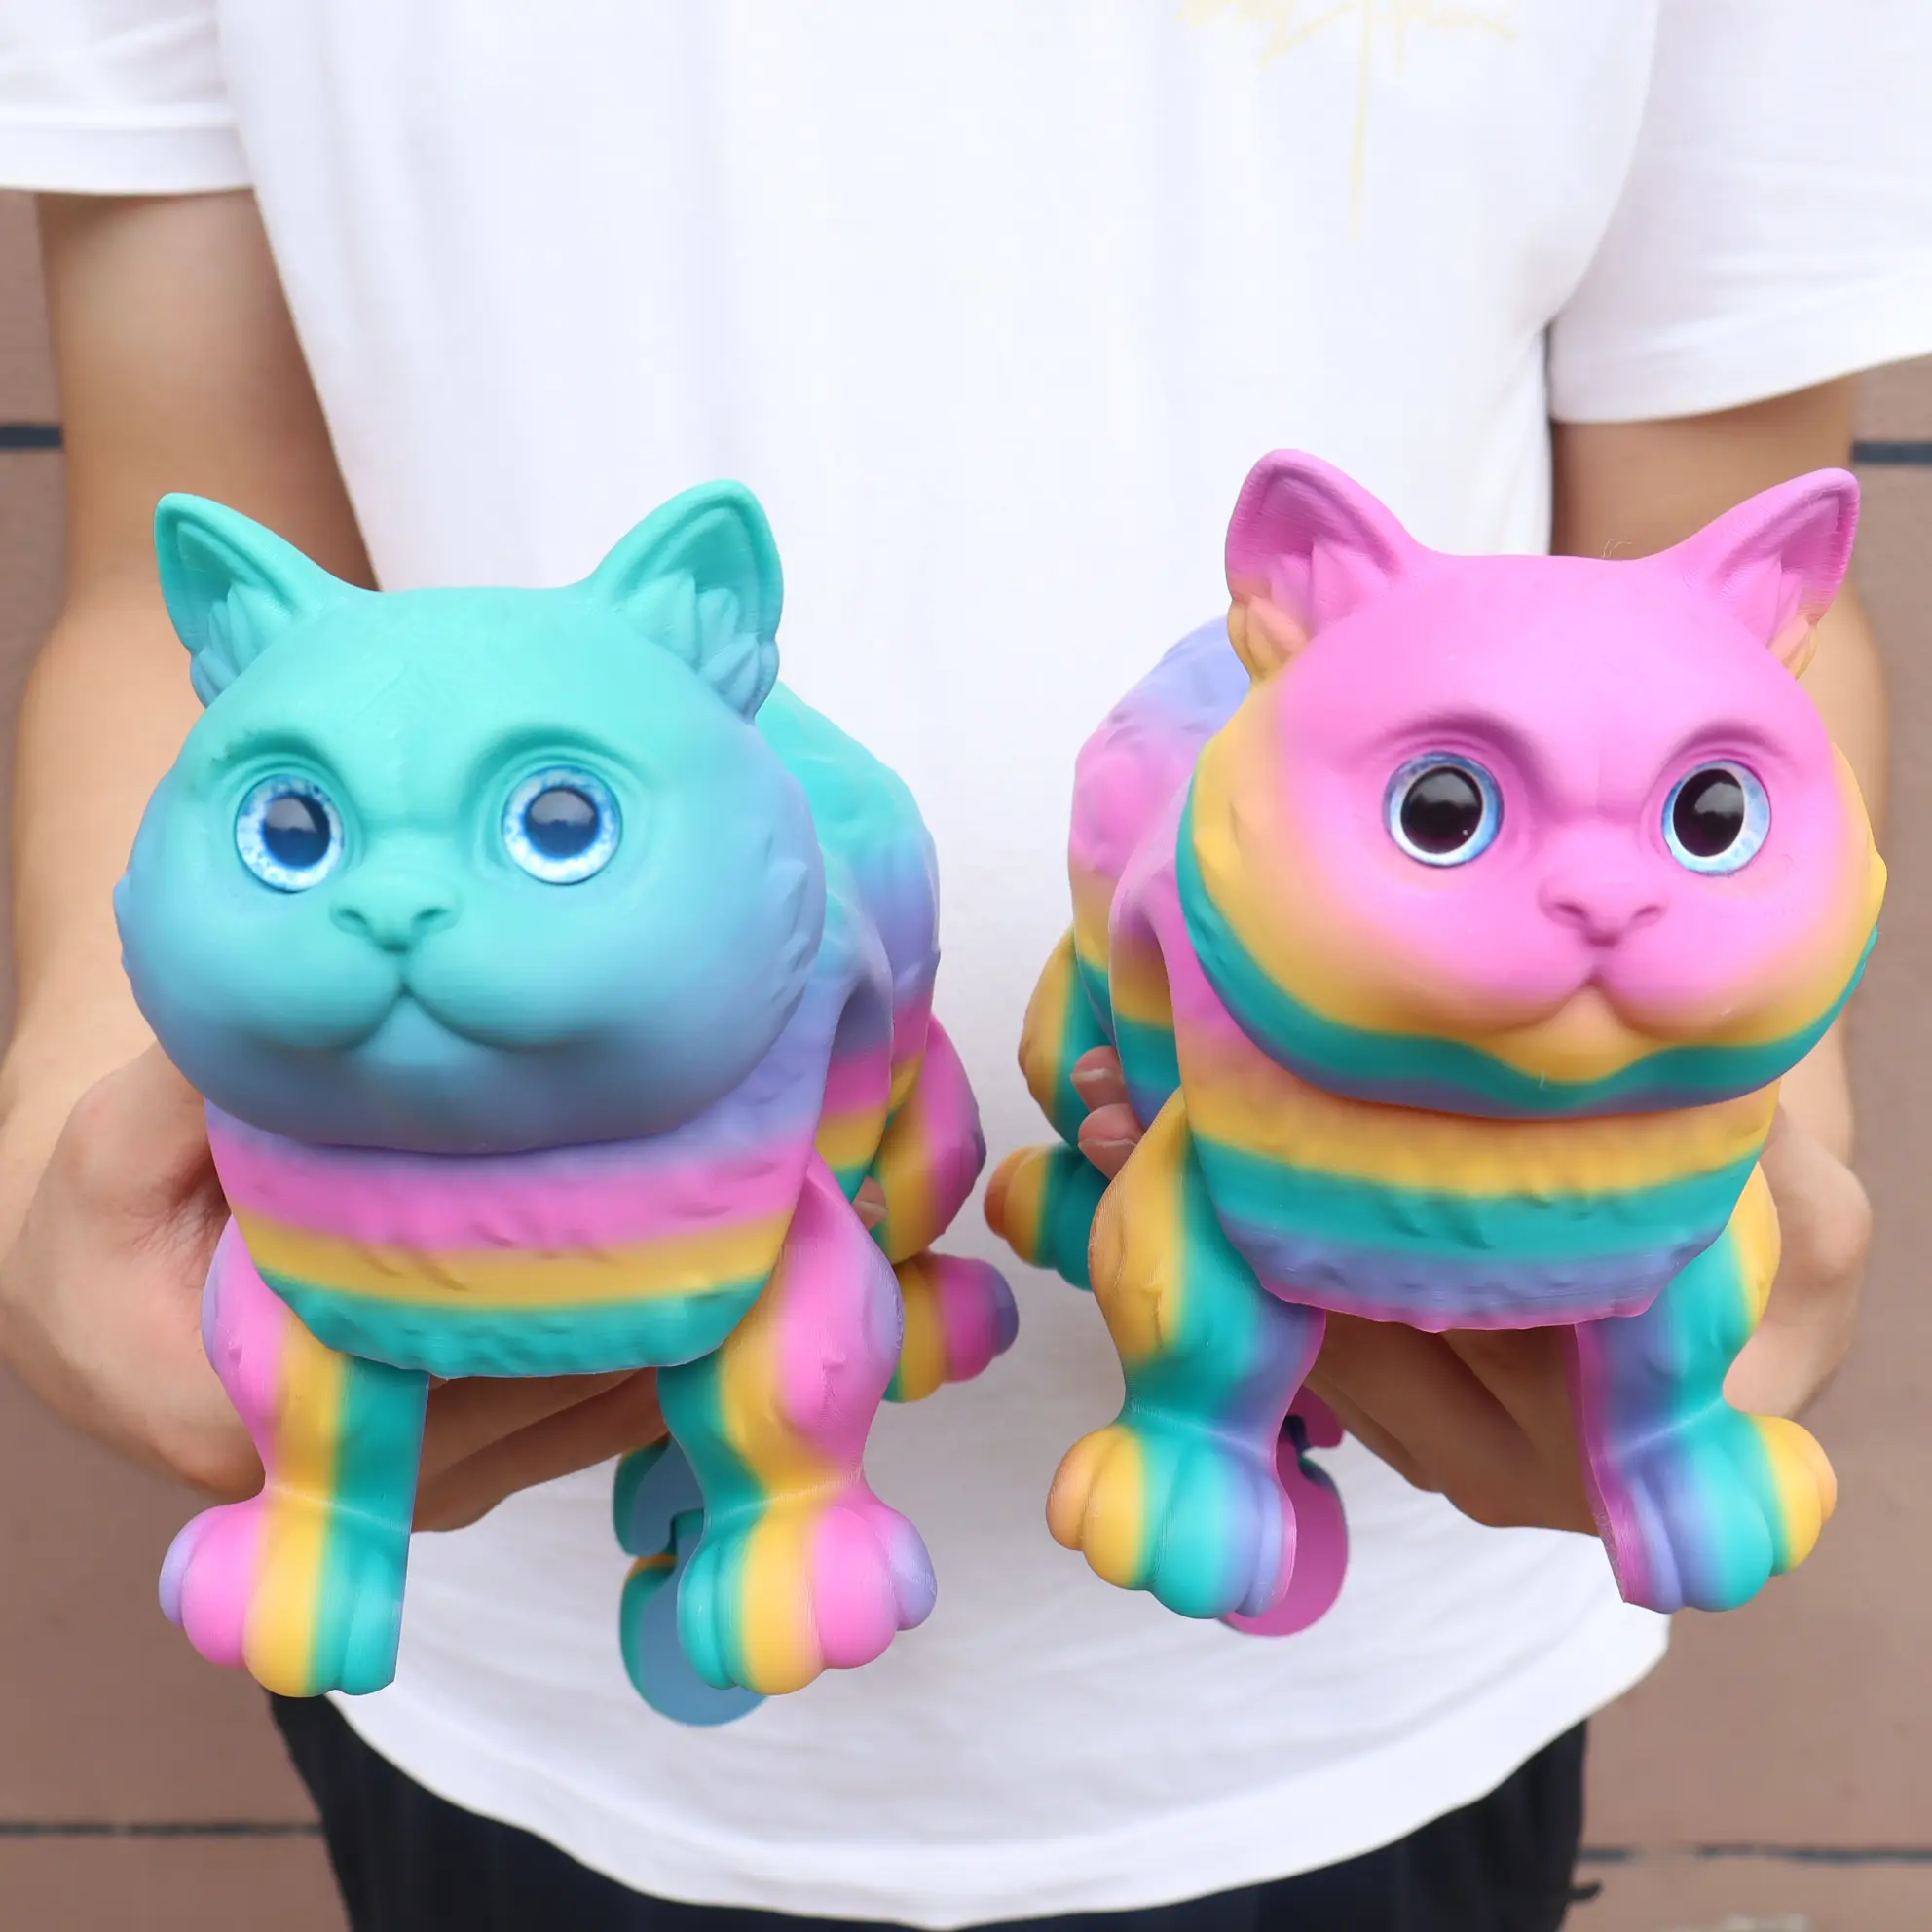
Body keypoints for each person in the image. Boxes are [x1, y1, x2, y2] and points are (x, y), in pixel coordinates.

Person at [0, 5, 1924, 1929]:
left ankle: (1036, 1446)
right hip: (486, 1638)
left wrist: (1759, 1202)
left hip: (1407, 1647)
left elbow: (1728, 602)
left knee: (927, 1239)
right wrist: (64, 1151)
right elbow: (171, 565)